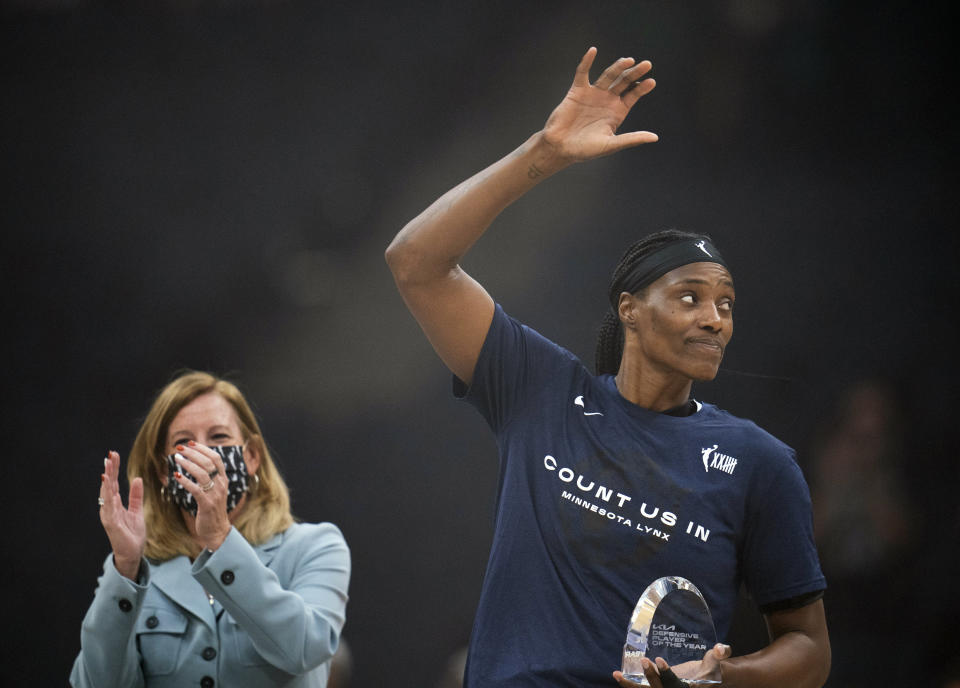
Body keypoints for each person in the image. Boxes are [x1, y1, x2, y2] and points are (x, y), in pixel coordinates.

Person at [385, 47, 829, 688]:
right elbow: (415, 262)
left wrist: (716, 681)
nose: (715, 318)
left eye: (726, 303)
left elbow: (810, 652)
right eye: (689, 297)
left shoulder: (760, 463)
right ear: (630, 310)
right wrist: (544, 155)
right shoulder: (538, 389)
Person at [71, 371, 350, 688]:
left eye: (218, 438)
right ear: (164, 471)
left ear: (252, 456)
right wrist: (124, 566)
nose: (203, 455)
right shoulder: (135, 572)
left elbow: (305, 651)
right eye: (183, 442)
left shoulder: (314, 547)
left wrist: (220, 539)